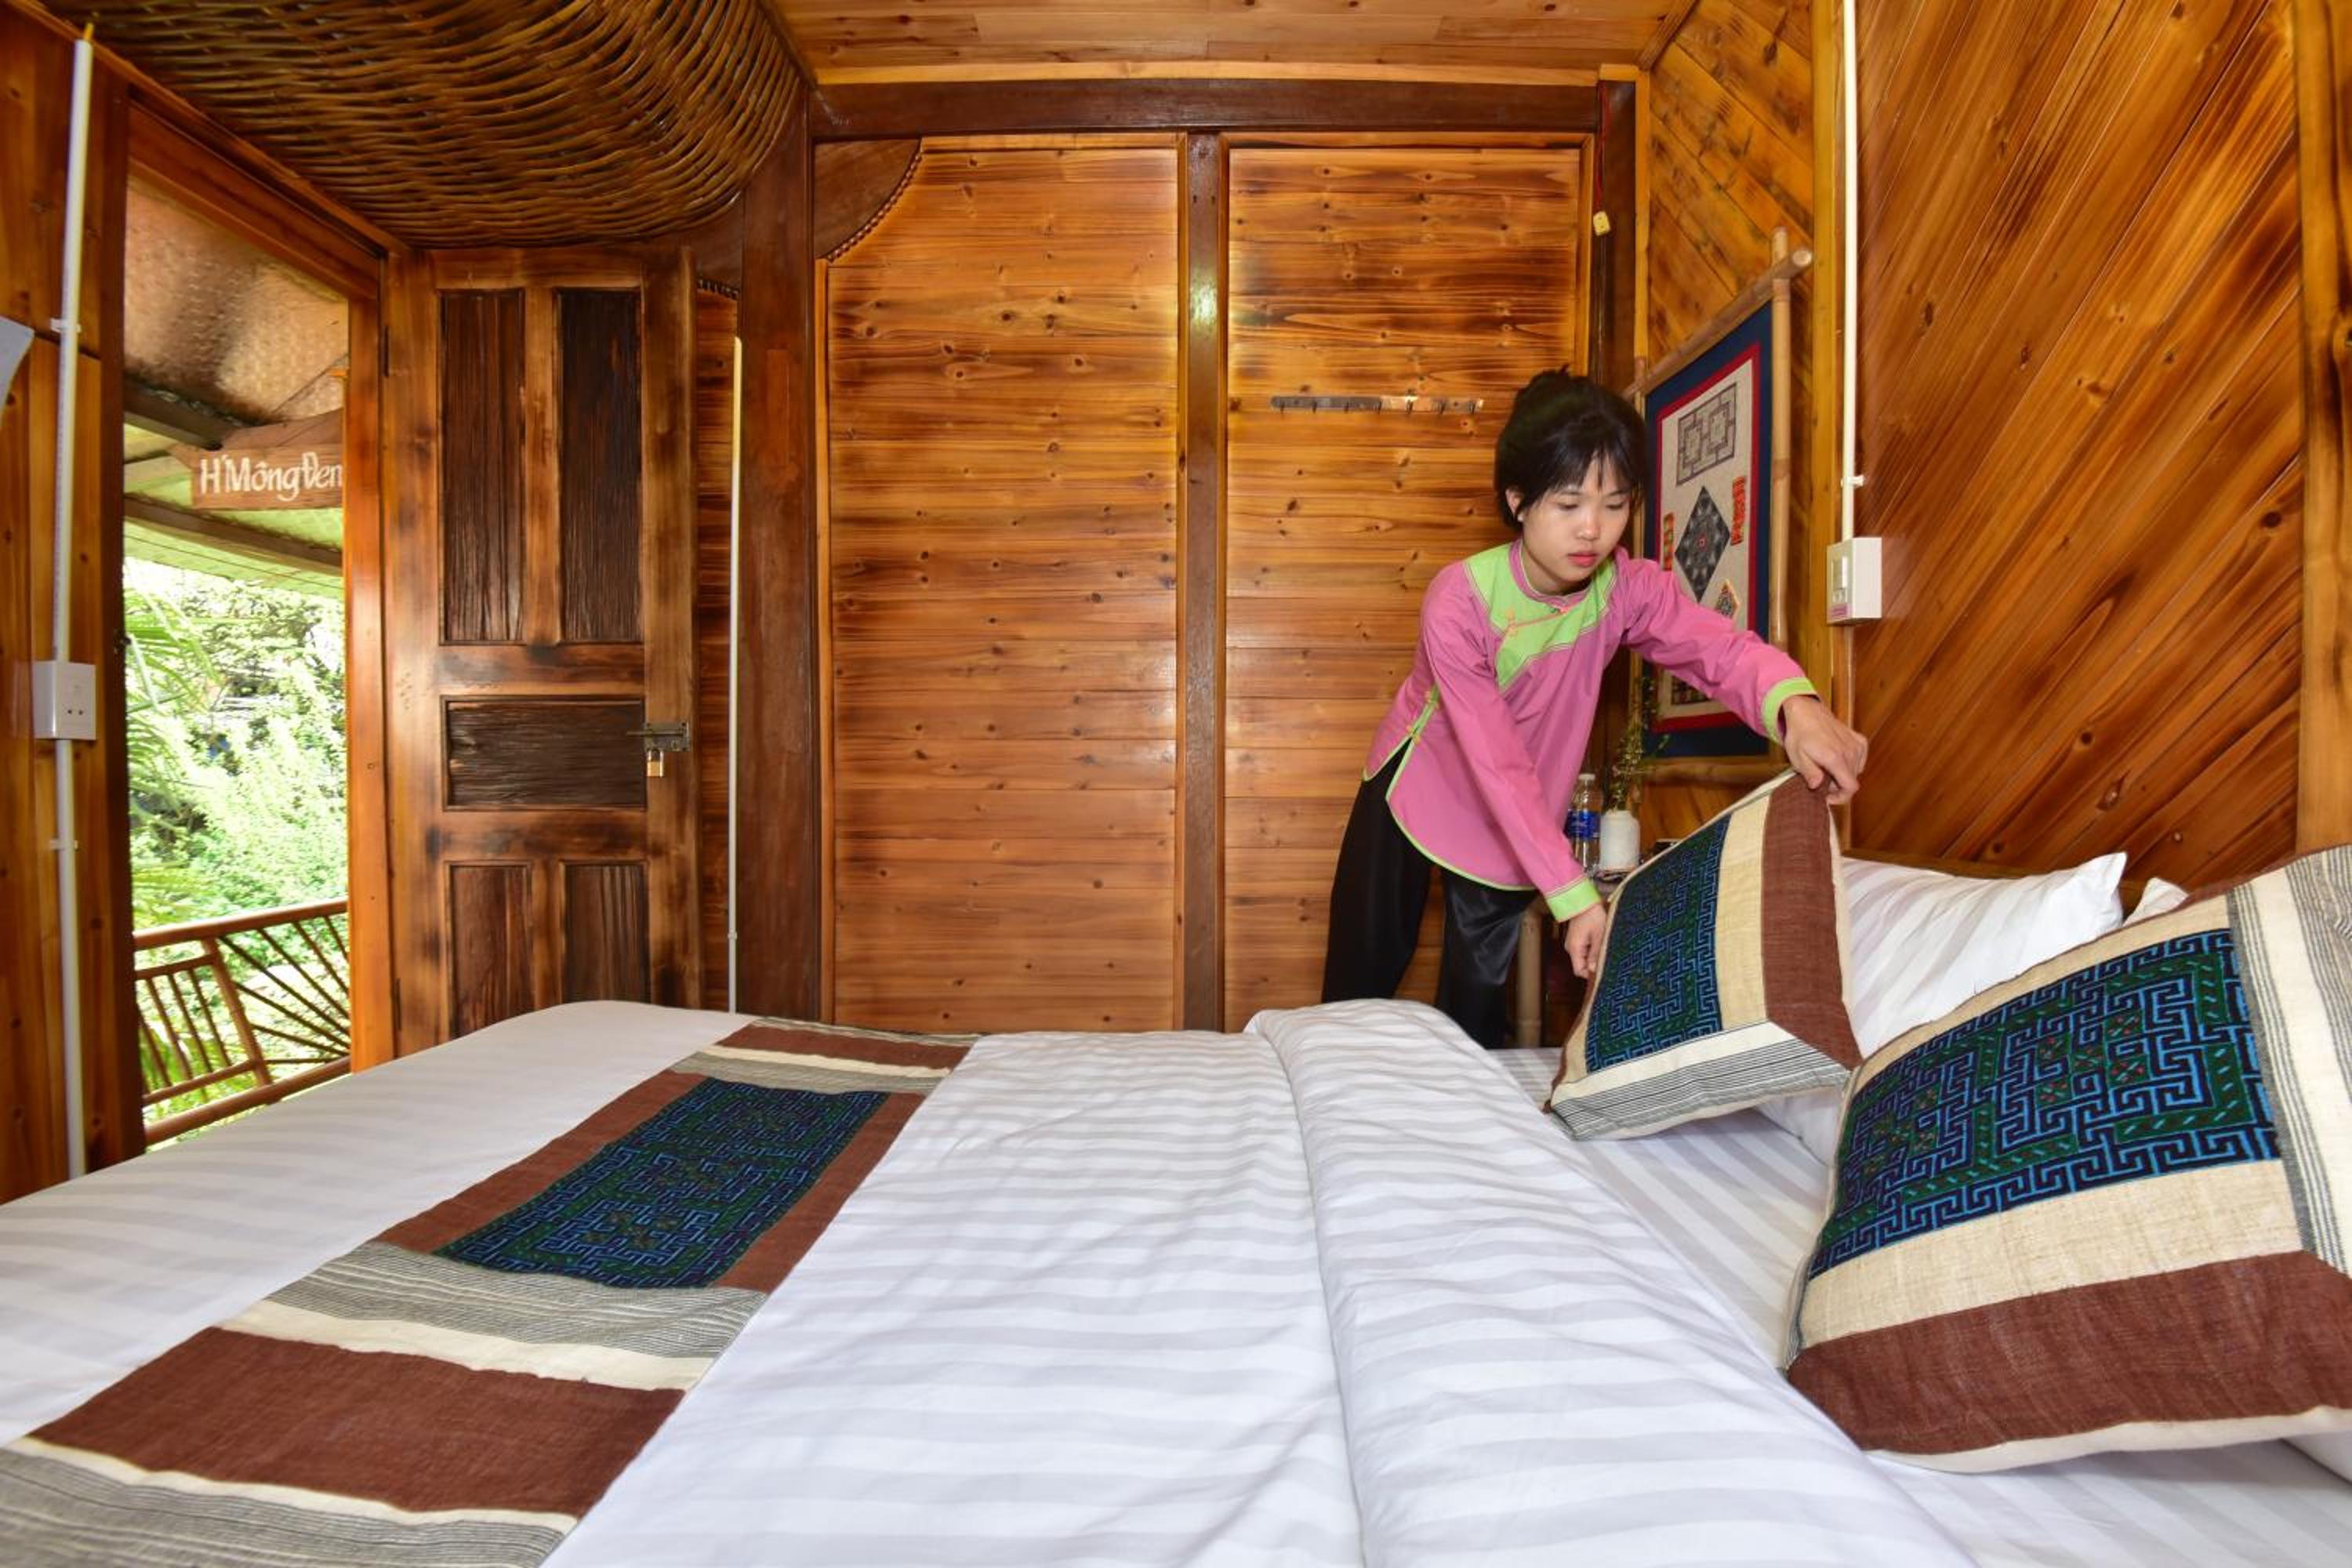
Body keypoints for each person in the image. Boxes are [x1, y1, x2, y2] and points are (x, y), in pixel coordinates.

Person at [1319, 369, 1869, 1048]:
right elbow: (1492, 755)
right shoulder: (1460, 599)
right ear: (1518, 501)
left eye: (1614, 505)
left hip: (1514, 818)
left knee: (1475, 1020)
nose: (1592, 530)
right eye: (1569, 503)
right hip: (1415, 788)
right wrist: (1572, 891)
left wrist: (1796, 704)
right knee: (1353, 988)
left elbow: (1719, 650)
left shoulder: (1627, 589)